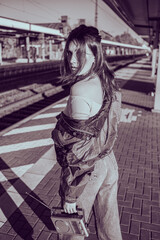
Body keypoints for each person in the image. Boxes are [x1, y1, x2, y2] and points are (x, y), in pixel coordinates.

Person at [52, 24, 122, 240]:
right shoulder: (107, 80)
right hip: (108, 162)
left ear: (94, 54)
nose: (72, 59)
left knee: (71, 232)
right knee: (109, 230)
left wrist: (71, 194)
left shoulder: (80, 89)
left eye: (79, 53)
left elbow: (79, 150)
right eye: (70, 52)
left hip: (87, 171)